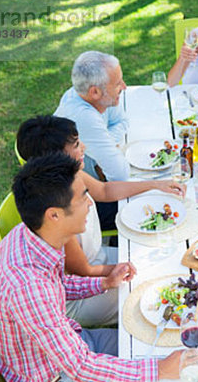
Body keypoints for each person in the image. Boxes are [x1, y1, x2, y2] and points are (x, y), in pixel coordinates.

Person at [0, 154, 184, 382]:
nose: (91, 203)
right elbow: (81, 368)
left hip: (70, 345)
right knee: (164, 373)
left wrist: (104, 283)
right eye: (83, 197)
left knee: (149, 341)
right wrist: (159, 370)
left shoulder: (29, 234)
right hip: (55, 378)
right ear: (54, 215)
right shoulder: (28, 288)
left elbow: (55, 285)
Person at [16, 115, 186, 327]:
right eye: (77, 145)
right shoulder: (58, 216)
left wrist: (154, 185)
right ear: (55, 158)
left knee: (166, 261)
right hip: (81, 293)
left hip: (100, 259)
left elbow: (105, 190)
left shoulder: (72, 175)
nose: (83, 148)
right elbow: (84, 270)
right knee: (154, 290)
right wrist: (127, 267)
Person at [54, 51, 129, 231]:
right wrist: (104, 144)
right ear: (95, 91)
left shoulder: (94, 97)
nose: (124, 87)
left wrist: (104, 141)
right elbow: (121, 175)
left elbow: (122, 122)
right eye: (117, 83)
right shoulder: (83, 116)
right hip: (77, 206)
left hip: (93, 185)